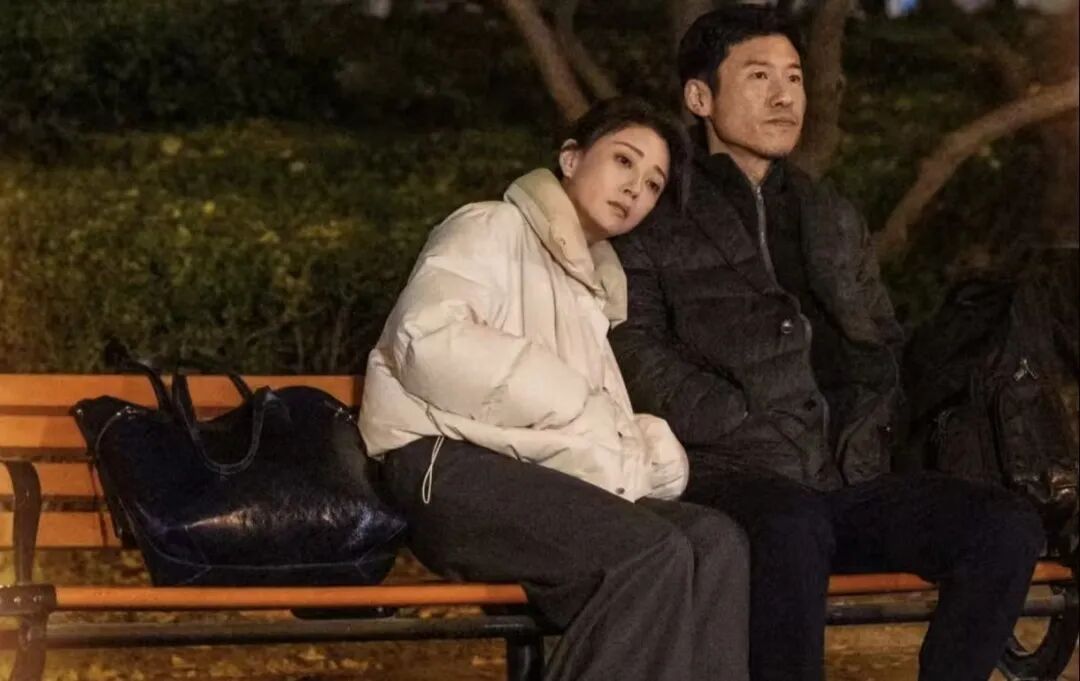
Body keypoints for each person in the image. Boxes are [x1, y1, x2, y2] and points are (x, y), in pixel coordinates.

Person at [608, 9, 1044, 681]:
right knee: (790, 526)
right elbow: (633, 345)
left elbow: (883, 336)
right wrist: (737, 416)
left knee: (1005, 525)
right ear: (700, 97)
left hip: (851, 476)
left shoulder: (831, 213)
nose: (784, 96)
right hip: (734, 474)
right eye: (759, 77)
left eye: (794, 77)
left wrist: (887, 416)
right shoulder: (658, 213)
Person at [359, 97, 750, 681]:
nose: (635, 188)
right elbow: (427, 339)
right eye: (623, 161)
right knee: (650, 554)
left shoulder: (592, 288)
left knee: (715, 542)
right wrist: (569, 401)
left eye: (652, 184)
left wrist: (641, 448)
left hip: (533, 476)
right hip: (445, 464)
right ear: (570, 158)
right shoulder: (491, 225)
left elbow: (588, 426)